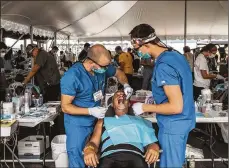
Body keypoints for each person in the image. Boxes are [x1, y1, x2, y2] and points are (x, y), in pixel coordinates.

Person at [129, 24, 195, 168]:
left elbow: (176, 106)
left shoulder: (164, 65)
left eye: (137, 50)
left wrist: (144, 107)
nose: (138, 54)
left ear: (145, 44)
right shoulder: (175, 55)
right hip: (184, 121)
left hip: (173, 125)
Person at [60, 44, 133, 168]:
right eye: (104, 66)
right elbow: (65, 107)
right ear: (92, 62)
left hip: (97, 119)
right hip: (78, 124)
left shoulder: (101, 69)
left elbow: (118, 72)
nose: (107, 69)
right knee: (77, 157)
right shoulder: (72, 76)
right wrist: (90, 111)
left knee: (95, 155)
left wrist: (126, 84)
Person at [83, 90, 159, 168]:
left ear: (129, 104)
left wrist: (154, 148)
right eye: (118, 95)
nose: (121, 96)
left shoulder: (140, 121)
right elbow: (94, 143)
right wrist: (89, 149)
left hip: (134, 156)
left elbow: (151, 143)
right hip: (109, 156)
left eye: (124, 96)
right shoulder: (103, 121)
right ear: (112, 104)